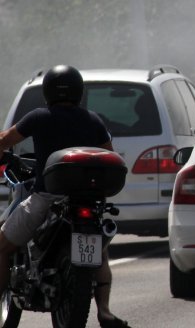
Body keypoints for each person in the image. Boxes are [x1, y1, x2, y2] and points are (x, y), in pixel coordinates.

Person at [0, 65, 130, 328]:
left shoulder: (39, 116)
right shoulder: (93, 120)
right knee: (100, 254)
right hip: (87, 202)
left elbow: (6, 139)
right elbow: (110, 154)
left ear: (47, 91)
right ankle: (104, 311)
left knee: (2, 246)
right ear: (79, 91)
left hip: (46, 198)